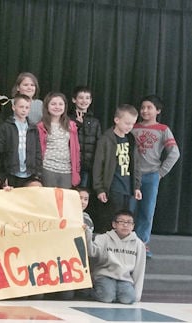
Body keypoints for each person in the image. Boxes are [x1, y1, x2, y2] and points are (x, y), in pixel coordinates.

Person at [131, 95, 179, 257]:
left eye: (149, 107)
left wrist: (160, 173)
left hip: (151, 175)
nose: (145, 110)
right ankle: (127, 243)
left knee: (147, 211)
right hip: (132, 176)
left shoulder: (163, 129)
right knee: (129, 209)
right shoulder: (133, 127)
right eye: (143, 107)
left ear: (158, 111)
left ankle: (142, 243)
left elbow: (174, 153)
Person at [86, 209, 146, 304]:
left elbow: (139, 269)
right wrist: (88, 235)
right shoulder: (103, 238)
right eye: (121, 222)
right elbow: (92, 252)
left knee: (128, 299)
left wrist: (137, 294)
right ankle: (95, 291)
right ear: (114, 224)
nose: (125, 225)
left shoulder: (138, 244)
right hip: (105, 275)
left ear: (133, 226)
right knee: (107, 297)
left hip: (124, 279)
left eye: (129, 222)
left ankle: (114, 292)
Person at [92, 104, 142, 218]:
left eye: (133, 124)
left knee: (127, 219)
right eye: (127, 123)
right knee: (114, 219)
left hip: (129, 189)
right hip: (113, 188)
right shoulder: (106, 139)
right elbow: (98, 165)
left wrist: (137, 187)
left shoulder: (131, 139)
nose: (130, 127)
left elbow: (137, 165)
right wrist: (99, 189)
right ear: (117, 120)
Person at [0, 94, 42, 187]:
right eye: (21, 107)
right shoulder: (6, 127)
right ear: (13, 107)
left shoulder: (33, 128)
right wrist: (3, 174)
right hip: (11, 172)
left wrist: (37, 172)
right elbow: (0, 151)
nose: (24, 110)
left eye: (27, 107)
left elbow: (38, 151)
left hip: (29, 173)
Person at [36, 92, 81, 188]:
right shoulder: (41, 126)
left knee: (63, 201)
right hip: (48, 167)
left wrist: (76, 170)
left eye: (61, 104)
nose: (57, 107)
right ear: (47, 106)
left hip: (66, 169)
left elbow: (76, 149)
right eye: (53, 104)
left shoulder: (71, 125)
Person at [68, 86, 101, 189]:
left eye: (87, 98)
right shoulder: (68, 118)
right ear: (74, 100)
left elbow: (98, 142)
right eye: (81, 97)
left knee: (83, 192)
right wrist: (77, 124)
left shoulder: (95, 121)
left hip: (87, 165)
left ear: (90, 100)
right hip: (70, 164)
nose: (84, 101)